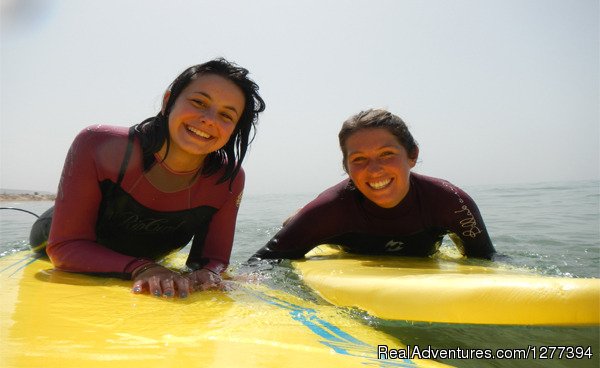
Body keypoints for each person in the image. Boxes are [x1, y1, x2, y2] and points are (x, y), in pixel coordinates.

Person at [30, 58, 266, 298]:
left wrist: (208, 273)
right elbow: (64, 247)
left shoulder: (227, 179)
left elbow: (212, 260)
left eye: (226, 115)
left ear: (234, 129)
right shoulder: (98, 144)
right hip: (50, 235)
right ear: (168, 101)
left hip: (142, 257)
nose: (209, 119)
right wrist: (142, 267)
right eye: (198, 102)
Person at [252, 108, 495, 261]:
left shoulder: (449, 202)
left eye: (387, 154)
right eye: (359, 159)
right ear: (347, 168)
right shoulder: (332, 209)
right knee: (304, 221)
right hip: (340, 241)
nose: (374, 169)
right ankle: (299, 217)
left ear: (412, 155)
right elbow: (263, 262)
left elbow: (486, 259)